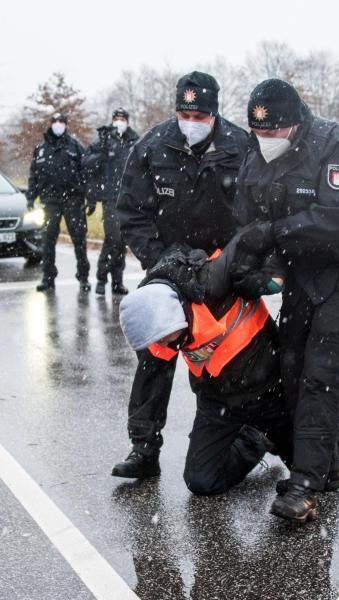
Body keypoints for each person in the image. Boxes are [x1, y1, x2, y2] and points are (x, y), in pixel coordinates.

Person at [235, 79, 339, 522]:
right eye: (257, 133)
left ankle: (304, 484)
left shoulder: (338, 146)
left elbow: (338, 220)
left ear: (296, 122)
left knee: (323, 371)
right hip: (303, 271)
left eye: (273, 133)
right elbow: (250, 210)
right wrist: (254, 260)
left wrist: (276, 232)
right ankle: (327, 469)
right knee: (292, 365)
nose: (265, 142)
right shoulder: (256, 151)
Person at [113, 71, 251, 478]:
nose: (191, 120)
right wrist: (159, 261)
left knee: (223, 359)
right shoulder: (153, 145)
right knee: (154, 356)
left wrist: (228, 263)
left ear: (214, 112)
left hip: (220, 271)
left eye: (200, 113)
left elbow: (256, 213)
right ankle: (144, 447)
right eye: (184, 112)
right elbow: (131, 212)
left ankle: (237, 435)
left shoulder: (241, 147)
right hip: (167, 269)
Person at [118, 240, 293, 496]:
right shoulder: (162, 315)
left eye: (165, 337)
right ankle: (256, 439)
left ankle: (332, 431)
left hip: (267, 388)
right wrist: (159, 256)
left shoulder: (216, 281)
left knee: (315, 463)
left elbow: (261, 233)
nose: (164, 344)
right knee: (201, 481)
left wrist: (271, 272)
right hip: (217, 398)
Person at [26, 113, 91, 292]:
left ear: (66, 125)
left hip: (73, 200)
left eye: (61, 122)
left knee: (79, 239)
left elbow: (87, 172)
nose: (58, 125)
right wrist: (31, 197)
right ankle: (48, 277)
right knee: (47, 241)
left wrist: (87, 195)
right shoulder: (40, 149)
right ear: (50, 124)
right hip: (50, 201)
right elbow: (34, 175)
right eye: (55, 122)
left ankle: (83, 277)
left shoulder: (75, 147)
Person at [82, 108, 139, 295]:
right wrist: (102, 154)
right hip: (110, 197)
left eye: (123, 118)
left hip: (128, 197)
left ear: (127, 121)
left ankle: (117, 281)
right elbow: (88, 164)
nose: (119, 121)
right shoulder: (104, 139)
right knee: (112, 237)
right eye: (117, 118)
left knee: (121, 240)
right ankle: (101, 277)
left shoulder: (133, 140)